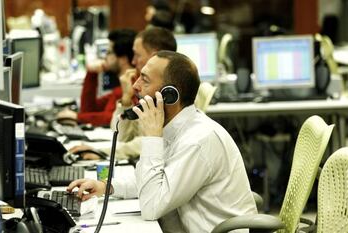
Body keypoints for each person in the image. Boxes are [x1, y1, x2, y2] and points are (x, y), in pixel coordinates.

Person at [67, 51, 257, 232]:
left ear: (169, 95)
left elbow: (151, 206)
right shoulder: (177, 128)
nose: (135, 86)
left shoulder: (197, 140)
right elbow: (157, 178)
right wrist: (107, 186)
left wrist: (152, 138)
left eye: (145, 80)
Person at [70, 27, 177, 160]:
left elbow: (143, 143)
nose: (133, 61)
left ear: (154, 56)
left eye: (137, 55)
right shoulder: (142, 87)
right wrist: (126, 100)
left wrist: (101, 152)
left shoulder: (167, 96)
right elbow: (123, 136)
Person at [56, 29, 136, 127]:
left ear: (123, 59)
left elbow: (112, 118)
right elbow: (88, 109)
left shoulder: (133, 86)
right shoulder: (119, 89)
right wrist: (92, 73)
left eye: (109, 52)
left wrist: (78, 117)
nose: (105, 57)